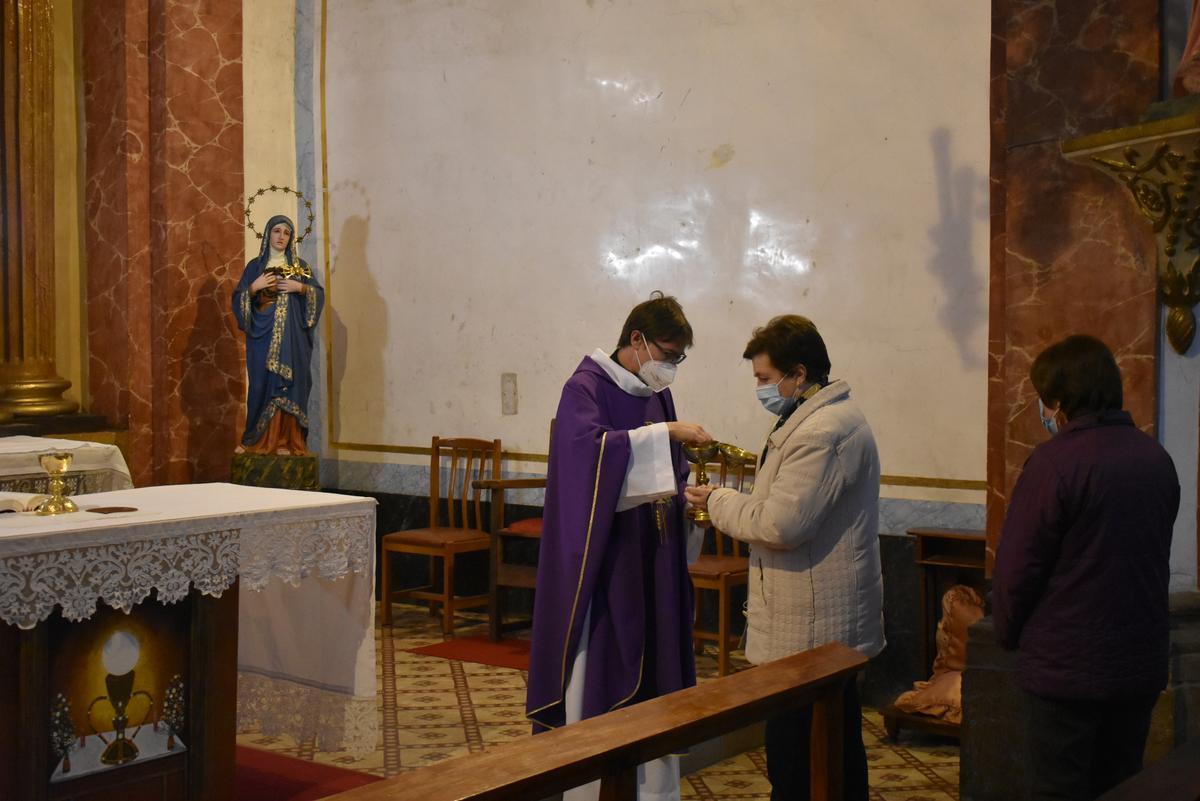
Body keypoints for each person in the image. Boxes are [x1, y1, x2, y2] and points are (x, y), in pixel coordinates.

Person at [684, 314, 883, 801]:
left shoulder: (823, 431)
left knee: (801, 758)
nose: (760, 388)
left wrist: (717, 501)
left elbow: (781, 524)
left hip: (812, 624)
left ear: (798, 373)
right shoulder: (814, 417)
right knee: (827, 749)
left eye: (765, 379)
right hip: (811, 618)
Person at [525, 293, 713, 801]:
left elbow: (664, 467)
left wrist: (686, 486)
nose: (670, 368)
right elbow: (587, 458)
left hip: (653, 554)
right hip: (605, 564)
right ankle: (588, 789)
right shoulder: (584, 388)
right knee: (605, 669)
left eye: (677, 359)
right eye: (667, 355)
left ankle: (654, 793)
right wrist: (665, 433)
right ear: (636, 340)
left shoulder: (655, 394)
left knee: (656, 677)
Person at [992, 335, 1179, 801]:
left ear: (1059, 400)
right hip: (1138, 661)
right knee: (1121, 783)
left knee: (1057, 788)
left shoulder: (1054, 464)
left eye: (1042, 396)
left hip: (1065, 670)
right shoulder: (1155, 458)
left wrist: (1006, 633)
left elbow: (1018, 567)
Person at [232, 214, 324, 455]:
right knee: (260, 385)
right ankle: (254, 439)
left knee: (290, 385)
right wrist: (254, 287)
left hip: (292, 340)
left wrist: (300, 288)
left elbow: (318, 295)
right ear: (268, 234)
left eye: (286, 233)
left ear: (291, 238)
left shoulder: (300, 268)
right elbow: (238, 299)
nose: (281, 236)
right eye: (277, 231)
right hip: (262, 337)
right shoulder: (255, 267)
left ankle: (287, 441)